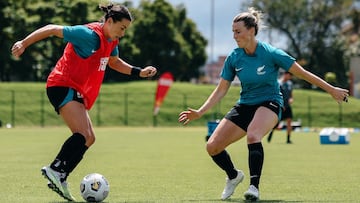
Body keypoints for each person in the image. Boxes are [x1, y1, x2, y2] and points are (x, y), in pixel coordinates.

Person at [178, 7, 348, 201]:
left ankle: (254, 187)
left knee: (253, 134)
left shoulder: (271, 53)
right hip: (245, 104)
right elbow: (221, 90)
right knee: (212, 147)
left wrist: (332, 90)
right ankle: (234, 176)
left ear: (251, 31)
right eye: (233, 32)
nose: (234, 36)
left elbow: (303, 74)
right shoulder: (234, 57)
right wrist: (200, 112)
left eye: (238, 31)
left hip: (270, 103)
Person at [11, 4, 157, 202]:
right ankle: (55, 169)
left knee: (89, 138)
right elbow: (53, 28)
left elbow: (114, 62)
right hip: (61, 84)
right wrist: (24, 43)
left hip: (75, 90)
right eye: (121, 28)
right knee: (82, 134)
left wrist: (138, 71)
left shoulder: (111, 41)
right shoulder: (88, 35)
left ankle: (60, 175)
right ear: (109, 21)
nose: (122, 34)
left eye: (125, 30)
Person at [268, 71, 294, 144]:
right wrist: (281, 105)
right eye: (289, 75)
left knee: (289, 121)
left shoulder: (290, 84)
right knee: (277, 123)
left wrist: (291, 99)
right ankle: (271, 132)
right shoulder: (278, 83)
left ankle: (288, 139)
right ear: (285, 74)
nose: (290, 77)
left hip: (287, 106)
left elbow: (291, 95)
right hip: (280, 106)